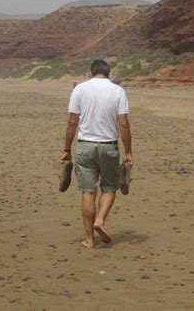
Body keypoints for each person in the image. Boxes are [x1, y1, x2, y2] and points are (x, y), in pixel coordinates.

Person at [60, 60, 133, 248]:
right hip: (108, 147)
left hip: (85, 146)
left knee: (88, 191)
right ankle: (99, 220)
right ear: (108, 72)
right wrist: (128, 151)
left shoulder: (80, 89)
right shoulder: (118, 91)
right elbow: (123, 123)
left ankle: (89, 239)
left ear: (91, 72)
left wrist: (67, 150)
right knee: (109, 187)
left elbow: (72, 122)